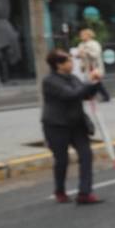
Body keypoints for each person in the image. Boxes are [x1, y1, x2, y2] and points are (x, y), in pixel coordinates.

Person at [41, 48, 104, 205]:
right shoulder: (50, 81)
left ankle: (85, 193)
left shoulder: (73, 78)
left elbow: (85, 94)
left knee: (86, 155)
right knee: (62, 159)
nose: (71, 63)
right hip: (57, 125)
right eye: (68, 61)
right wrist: (89, 83)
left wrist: (95, 83)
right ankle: (60, 190)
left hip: (77, 124)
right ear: (58, 65)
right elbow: (71, 94)